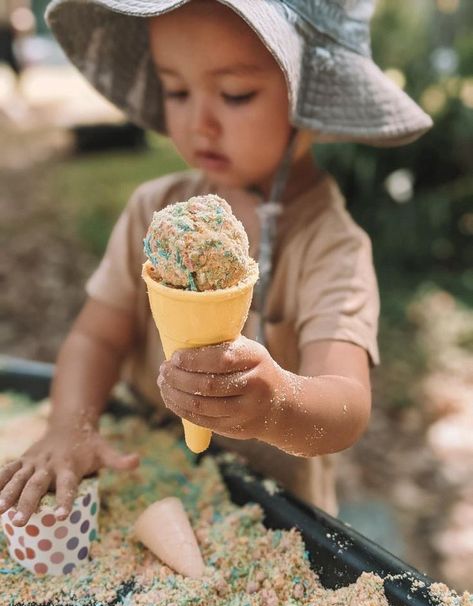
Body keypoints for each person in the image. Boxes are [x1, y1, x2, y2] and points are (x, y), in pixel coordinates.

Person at [0, 0, 432, 527]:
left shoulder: (331, 247)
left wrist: (277, 404)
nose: (199, 123)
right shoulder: (152, 213)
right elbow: (96, 337)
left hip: (268, 516)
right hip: (145, 476)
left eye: (235, 94)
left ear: (312, 102)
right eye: (177, 91)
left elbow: (346, 408)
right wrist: (71, 424)